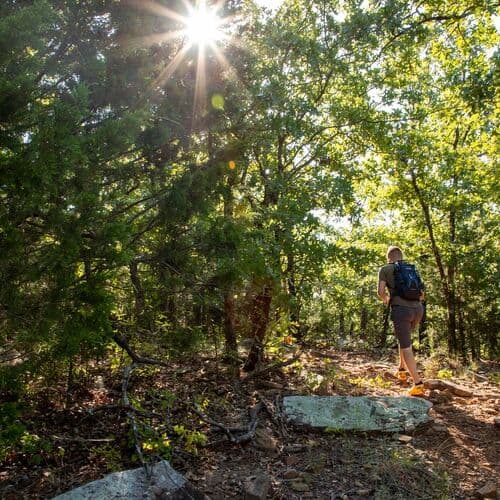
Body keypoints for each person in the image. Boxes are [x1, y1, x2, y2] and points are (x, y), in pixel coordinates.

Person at [378, 246, 425, 396]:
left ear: (388, 257)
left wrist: (386, 300)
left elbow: (380, 291)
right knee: (404, 339)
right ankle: (401, 369)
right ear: (401, 256)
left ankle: (418, 384)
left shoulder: (385, 269)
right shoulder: (411, 269)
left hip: (401, 311)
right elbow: (422, 294)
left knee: (406, 346)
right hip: (418, 310)